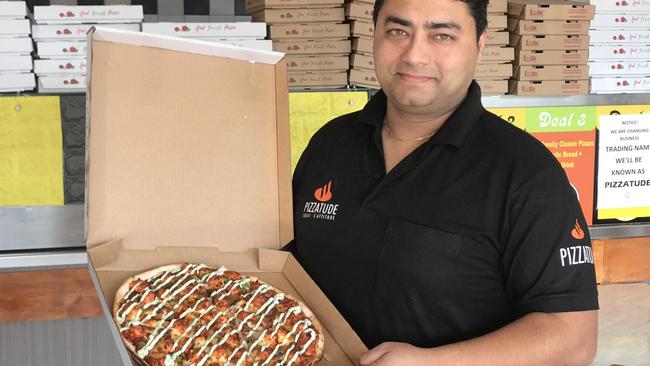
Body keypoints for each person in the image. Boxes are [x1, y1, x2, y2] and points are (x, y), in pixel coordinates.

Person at [291, 0, 599, 364]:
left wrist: (433, 362)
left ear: (480, 45)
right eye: (398, 31)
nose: (415, 55)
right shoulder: (330, 143)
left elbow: (573, 338)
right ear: (374, 36)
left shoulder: (526, 174)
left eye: (442, 35)